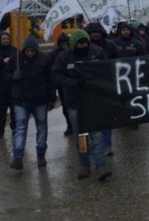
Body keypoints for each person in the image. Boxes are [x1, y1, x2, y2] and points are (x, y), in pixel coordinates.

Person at [52, 29, 111, 180]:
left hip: (94, 101)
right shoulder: (63, 57)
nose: (83, 46)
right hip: (75, 102)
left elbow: (107, 69)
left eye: (85, 43)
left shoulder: (97, 51)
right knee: (81, 137)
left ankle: (101, 166)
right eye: (80, 43)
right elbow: (57, 76)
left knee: (96, 135)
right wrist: (75, 83)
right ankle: (84, 165)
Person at [6, 37, 55, 170]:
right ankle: (18, 156)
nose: (29, 53)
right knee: (20, 127)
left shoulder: (44, 60)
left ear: (36, 50)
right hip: (21, 99)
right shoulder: (15, 59)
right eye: (27, 51)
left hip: (40, 99)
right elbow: (5, 77)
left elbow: (50, 80)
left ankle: (40, 154)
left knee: (41, 126)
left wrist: (52, 98)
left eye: (32, 51)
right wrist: (13, 76)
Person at [85, 21, 119, 154]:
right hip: (89, 87)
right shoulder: (84, 46)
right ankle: (96, 145)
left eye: (97, 32)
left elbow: (118, 62)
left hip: (106, 86)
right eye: (93, 33)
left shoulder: (110, 45)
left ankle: (107, 144)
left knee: (107, 117)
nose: (95, 35)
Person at [48, 32, 73, 136]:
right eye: (62, 42)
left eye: (66, 42)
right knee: (65, 106)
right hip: (61, 84)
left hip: (73, 82)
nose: (64, 44)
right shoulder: (53, 54)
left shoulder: (73, 52)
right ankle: (69, 125)